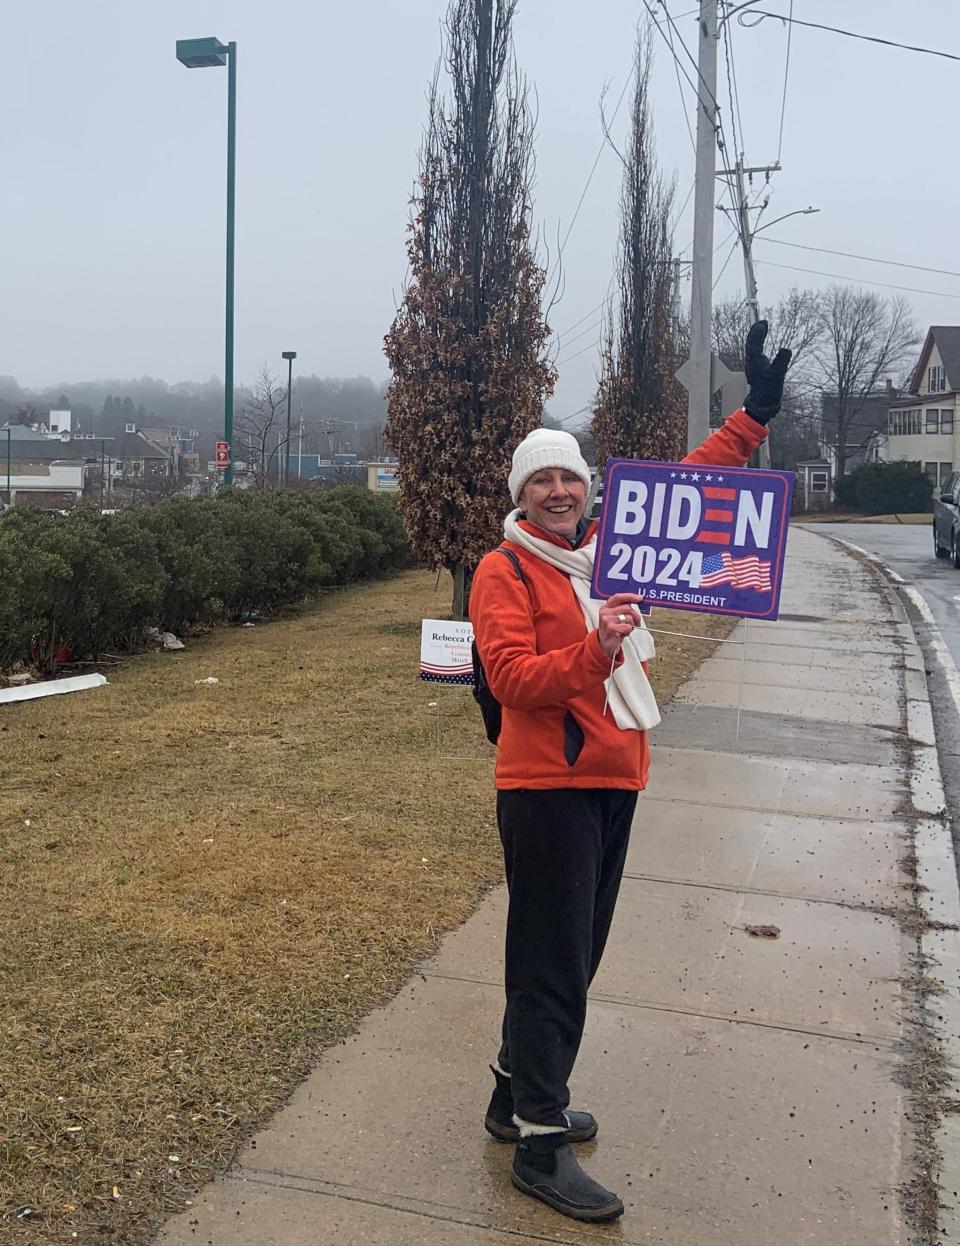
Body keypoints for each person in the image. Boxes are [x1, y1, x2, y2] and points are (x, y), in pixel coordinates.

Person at [469, 322, 791, 1223]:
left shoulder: (612, 549)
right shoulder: (505, 572)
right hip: (546, 790)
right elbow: (512, 680)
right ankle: (538, 1138)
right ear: (522, 495)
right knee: (552, 962)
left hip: (616, 778)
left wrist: (752, 419)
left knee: (578, 952)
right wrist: (596, 645)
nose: (561, 488)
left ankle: (511, 1093)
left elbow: (691, 492)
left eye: (570, 474)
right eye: (543, 478)